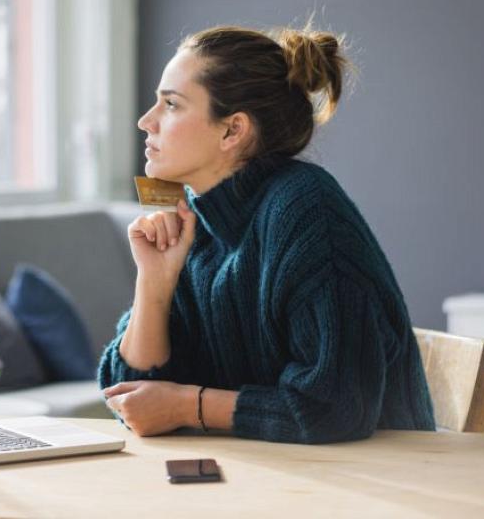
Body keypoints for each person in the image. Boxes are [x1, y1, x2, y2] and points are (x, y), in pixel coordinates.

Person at [97, 24, 436, 444]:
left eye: (170, 104)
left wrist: (187, 405)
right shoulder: (194, 223)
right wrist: (154, 282)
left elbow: (335, 406)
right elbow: (129, 396)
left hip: (374, 486)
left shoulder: (307, 211)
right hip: (261, 479)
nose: (146, 121)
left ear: (232, 131)